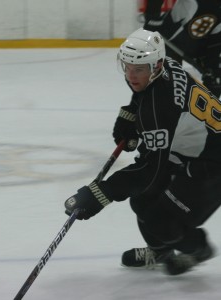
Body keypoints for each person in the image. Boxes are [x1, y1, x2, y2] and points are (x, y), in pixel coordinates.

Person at [64, 27, 221, 275]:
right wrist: (129, 117)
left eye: (138, 69)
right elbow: (142, 96)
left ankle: (199, 249)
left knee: (162, 220)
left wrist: (99, 193)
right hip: (191, 150)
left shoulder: (160, 107)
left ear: (155, 66)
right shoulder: (163, 66)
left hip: (212, 165)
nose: (130, 75)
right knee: (142, 199)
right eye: (126, 66)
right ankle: (160, 251)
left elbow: (151, 169)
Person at [143, 0, 221, 98]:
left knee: (215, 81)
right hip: (170, 39)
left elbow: (215, 41)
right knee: (167, 81)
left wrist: (212, 65)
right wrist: (152, 15)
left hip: (195, 46)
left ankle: (205, 111)